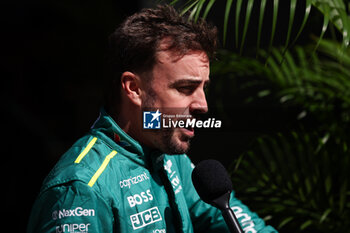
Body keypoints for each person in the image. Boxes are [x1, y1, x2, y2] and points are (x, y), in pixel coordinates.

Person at [27, 5, 277, 233]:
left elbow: (238, 222)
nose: (203, 105)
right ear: (133, 88)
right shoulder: (82, 187)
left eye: (203, 88)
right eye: (185, 88)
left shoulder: (168, 155)